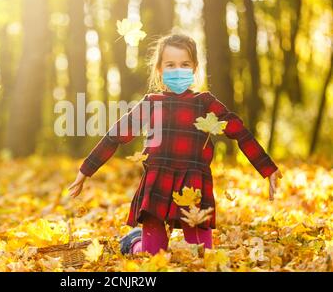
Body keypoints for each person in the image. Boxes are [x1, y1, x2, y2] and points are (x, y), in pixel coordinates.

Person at [68, 33, 283, 255]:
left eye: (184, 64)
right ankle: (133, 242)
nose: (177, 70)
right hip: (158, 183)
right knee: (151, 256)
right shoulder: (152, 103)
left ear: (194, 68)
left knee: (202, 255)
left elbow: (241, 133)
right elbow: (115, 135)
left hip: (195, 185)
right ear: (159, 70)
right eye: (170, 65)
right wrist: (86, 170)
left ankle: (154, 242)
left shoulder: (205, 102)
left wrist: (267, 168)